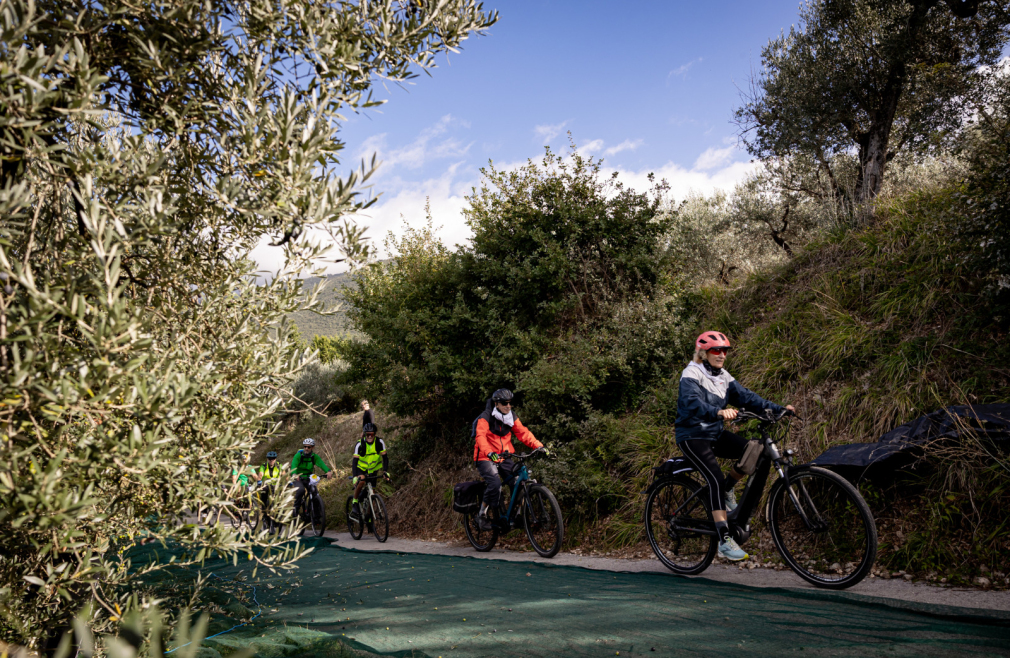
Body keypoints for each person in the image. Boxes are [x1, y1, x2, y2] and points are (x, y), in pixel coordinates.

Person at [675, 331, 795, 562]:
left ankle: (728, 487)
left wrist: (779, 409)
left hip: (715, 434)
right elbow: (690, 402)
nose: (721, 355)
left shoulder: (723, 376)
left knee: (755, 450)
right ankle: (724, 540)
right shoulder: (691, 373)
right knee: (715, 479)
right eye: (716, 350)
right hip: (692, 436)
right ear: (704, 353)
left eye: (725, 351)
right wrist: (718, 412)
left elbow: (748, 398)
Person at [472, 388, 548, 531]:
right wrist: (489, 453)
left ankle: (515, 516)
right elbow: (480, 437)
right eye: (504, 403)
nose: (508, 406)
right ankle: (481, 515)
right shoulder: (486, 416)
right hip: (485, 456)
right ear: (496, 404)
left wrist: (539, 446)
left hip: (504, 456)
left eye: (510, 403)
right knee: (495, 483)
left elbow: (523, 433)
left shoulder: (511, 416)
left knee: (517, 482)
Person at [350, 423, 389, 519]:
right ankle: (355, 501)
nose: (370, 436)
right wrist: (355, 476)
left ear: (375, 434)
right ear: (364, 434)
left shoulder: (379, 442)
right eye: (368, 434)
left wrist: (385, 471)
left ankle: (369, 515)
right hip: (361, 468)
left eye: (371, 434)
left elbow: (385, 458)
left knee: (372, 492)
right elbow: (354, 461)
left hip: (373, 469)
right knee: (361, 481)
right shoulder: (360, 444)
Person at [290, 438, 332, 516]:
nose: (306, 448)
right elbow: (294, 465)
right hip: (298, 477)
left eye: (308, 447)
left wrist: (328, 471)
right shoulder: (298, 455)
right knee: (301, 490)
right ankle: (296, 509)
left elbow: (321, 464)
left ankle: (316, 516)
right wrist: (294, 474)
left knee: (314, 493)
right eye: (305, 446)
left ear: (312, 447)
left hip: (308, 477)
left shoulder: (314, 456)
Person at [255, 451, 283, 525]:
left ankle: (278, 516)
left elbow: (283, 474)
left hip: (276, 486)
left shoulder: (279, 465)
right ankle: (264, 513)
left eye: (273, 458)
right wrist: (259, 481)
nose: (271, 460)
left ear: (275, 459)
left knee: (278, 499)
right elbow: (260, 475)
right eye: (269, 459)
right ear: (267, 459)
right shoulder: (263, 466)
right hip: (266, 485)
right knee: (263, 497)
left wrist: (288, 481)